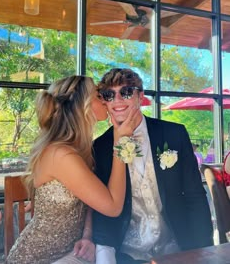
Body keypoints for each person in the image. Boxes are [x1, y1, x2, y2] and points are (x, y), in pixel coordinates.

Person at [74, 68, 213, 264]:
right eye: (109, 95)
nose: (118, 100)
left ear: (141, 96)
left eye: (127, 92)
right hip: (127, 253)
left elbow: (195, 195)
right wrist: (105, 254)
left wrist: (204, 247)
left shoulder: (175, 134)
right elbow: (102, 209)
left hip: (177, 246)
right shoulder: (100, 147)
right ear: (104, 101)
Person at [6, 75, 139, 264]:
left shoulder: (79, 150)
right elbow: (113, 207)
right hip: (37, 258)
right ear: (82, 106)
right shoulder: (60, 155)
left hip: (71, 253)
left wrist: (87, 234)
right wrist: (120, 143)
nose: (105, 99)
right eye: (97, 95)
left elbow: (88, 203)